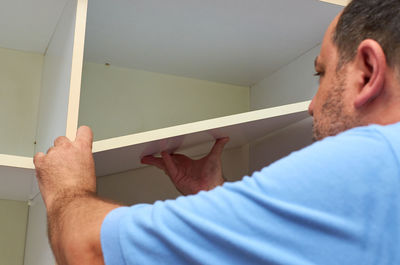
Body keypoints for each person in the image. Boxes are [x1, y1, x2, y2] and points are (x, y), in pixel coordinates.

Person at [34, 0, 400, 264]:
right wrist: (212, 195)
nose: (310, 105)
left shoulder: (371, 163)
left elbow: (91, 252)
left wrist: (68, 190)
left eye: (321, 74)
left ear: (367, 71)